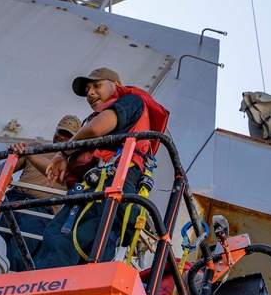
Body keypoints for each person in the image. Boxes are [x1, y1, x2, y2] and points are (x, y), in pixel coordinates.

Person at [30, 67, 169, 270]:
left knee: (59, 240)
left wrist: (62, 153)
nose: (90, 93)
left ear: (117, 86)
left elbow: (95, 129)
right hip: (109, 192)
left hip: (106, 190)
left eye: (97, 85)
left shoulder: (131, 102)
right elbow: (64, 174)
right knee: (92, 255)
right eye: (87, 89)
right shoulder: (114, 136)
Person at [0, 115, 81, 268]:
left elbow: (59, 176)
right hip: (14, 200)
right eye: (60, 132)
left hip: (42, 210)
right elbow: (0, 172)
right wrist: (13, 154)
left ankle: (2, 282)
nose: (62, 137)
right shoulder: (35, 146)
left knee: (19, 252)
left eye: (69, 135)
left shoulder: (76, 162)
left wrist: (29, 153)